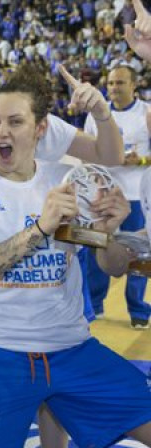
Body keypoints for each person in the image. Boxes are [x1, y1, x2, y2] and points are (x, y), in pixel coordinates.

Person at [0, 64, 151, 448]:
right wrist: (40, 229)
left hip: (71, 349)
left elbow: (112, 264)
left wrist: (110, 233)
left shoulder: (65, 183)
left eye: (15, 122)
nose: (2, 132)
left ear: (40, 129)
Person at [83, 64, 151, 329]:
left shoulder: (146, 112)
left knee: (139, 253)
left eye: (120, 83)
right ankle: (96, 304)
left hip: (135, 194)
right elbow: (86, 151)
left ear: (134, 85)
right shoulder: (97, 115)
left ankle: (137, 310)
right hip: (104, 194)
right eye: (110, 83)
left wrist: (142, 159)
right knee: (98, 247)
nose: (113, 88)